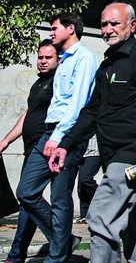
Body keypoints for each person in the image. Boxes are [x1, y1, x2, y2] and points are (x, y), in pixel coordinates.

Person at [48, 2, 136, 263]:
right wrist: (65, 143)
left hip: (131, 154)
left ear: (132, 25)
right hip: (111, 155)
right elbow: (91, 112)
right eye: (104, 24)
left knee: (100, 216)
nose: (107, 29)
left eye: (114, 23)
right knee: (132, 222)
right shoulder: (107, 65)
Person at [16, 13, 98, 263]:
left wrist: (60, 137)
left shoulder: (85, 58)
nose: (51, 33)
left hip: (66, 136)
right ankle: (62, 240)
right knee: (26, 191)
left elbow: (78, 102)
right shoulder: (63, 61)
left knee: (60, 197)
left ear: (70, 29)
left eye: (55, 28)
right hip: (48, 133)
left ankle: (56, 257)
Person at [0, 39, 59, 263]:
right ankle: (18, 254)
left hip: (46, 147)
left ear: (58, 59)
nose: (42, 62)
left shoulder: (57, 82)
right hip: (30, 148)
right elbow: (28, 115)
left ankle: (58, 237)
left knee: (27, 195)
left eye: (48, 58)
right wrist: (5, 141)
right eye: (40, 57)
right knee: (28, 200)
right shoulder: (38, 84)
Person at [76, 135, 102, 223]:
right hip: (82, 152)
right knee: (81, 185)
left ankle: (104, 196)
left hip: (95, 151)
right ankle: (85, 215)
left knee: (85, 179)